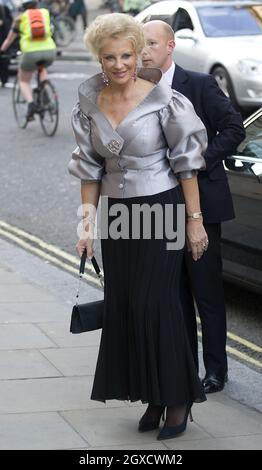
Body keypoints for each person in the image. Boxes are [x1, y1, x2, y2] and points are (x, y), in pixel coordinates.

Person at [69, 13, 208, 440]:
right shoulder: (88, 101)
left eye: (126, 54)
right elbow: (89, 169)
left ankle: (179, 398)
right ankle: (153, 394)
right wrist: (87, 226)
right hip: (116, 215)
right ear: (99, 57)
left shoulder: (165, 100)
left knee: (159, 304)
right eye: (109, 57)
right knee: (126, 305)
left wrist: (195, 221)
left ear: (138, 50)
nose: (118, 64)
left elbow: (187, 167)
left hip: (161, 208)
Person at [142, 20, 246, 393]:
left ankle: (216, 370)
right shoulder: (138, 88)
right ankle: (184, 365)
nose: (143, 51)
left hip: (202, 203)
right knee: (174, 293)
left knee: (206, 293)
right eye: (140, 44)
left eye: (150, 43)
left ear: (170, 46)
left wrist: (199, 160)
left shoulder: (199, 84)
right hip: (160, 206)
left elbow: (235, 128)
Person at [0, 0, 56, 120]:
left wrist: (2, 50)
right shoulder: (45, 13)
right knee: (42, 68)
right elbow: (52, 30)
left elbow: (9, 40)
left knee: (24, 80)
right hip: (50, 51)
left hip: (30, 53)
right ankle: (45, 89)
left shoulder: (20, 19)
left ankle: (31, 104)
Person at [0, 0, 13, 86]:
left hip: (3, 38)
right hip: (4, 37)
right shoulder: (4, 7)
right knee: (3, 59)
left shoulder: (3, 8)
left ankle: (4, 79)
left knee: (3, 59)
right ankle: (4, 79)